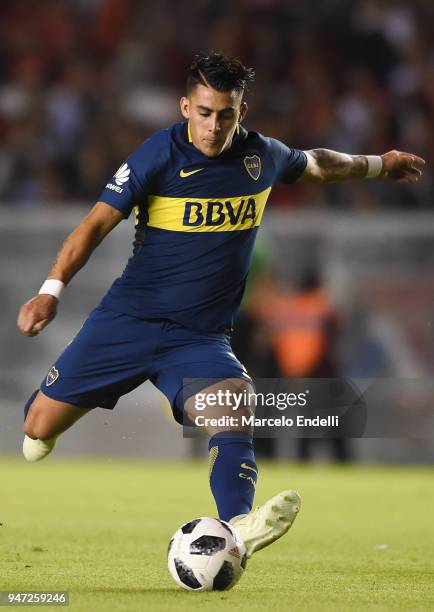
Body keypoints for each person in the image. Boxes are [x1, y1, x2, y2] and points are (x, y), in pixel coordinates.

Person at [17, 53, 425, 560]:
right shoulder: (156, 156)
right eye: (205, 112)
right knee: (37, 431)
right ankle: (43, 415)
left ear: (241, 111)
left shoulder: (262, 157)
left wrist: (379, 165)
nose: (214, 126)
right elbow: (95, 225)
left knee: (235, 407)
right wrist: (50, 291)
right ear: (186, 106)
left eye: (225, 114)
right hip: (129, 320)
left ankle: (238, 528)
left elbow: (317, 162)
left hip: (199, 338)